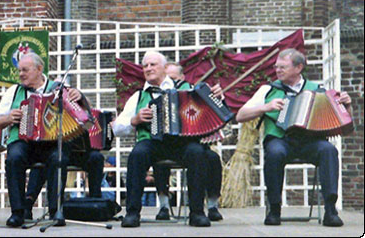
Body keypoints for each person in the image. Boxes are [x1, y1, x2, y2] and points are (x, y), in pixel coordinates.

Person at [236, 48, 348, 227]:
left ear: (298, 68)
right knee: (274, 153)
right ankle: (274, 209)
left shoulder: (317, 90)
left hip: (309, 141)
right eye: (276, 67)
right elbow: (240, 115)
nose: (277, 70)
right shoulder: (268, 90)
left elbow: (338, 120)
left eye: (283, 67)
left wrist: (345, 106)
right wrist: (266, 107)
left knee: (329, 150)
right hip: (280, 139)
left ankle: (330, 210)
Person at [113, 51, 224, 227]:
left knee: (197, 151)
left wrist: (216, 97)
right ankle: (132, 213)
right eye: (145, 66)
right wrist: (135, 120)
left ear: (164, 68)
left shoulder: (186, 91)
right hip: (152, 143)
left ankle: (197, 212)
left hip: (182, 143)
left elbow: (210, 109)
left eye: (153, 65)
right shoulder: (139, 96)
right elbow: (117, 128)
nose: (148, 69)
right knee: (138, 154)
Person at [0, 52, 83, 227]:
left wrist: (78, 95)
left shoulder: (58, 88)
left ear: (39, 69)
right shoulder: (14, 91)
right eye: (19, 71)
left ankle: (56, 210)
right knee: (14, 158)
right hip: (23, 141)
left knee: (59, 158)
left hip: (50, 143)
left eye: (25, 70)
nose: (21, 74)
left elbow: (77, 113)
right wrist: (9, 117)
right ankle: (18, 212)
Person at [150, 63, 224, 221]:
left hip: (192, 144)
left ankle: (211, 205)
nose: (173, 83)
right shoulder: (156, 93)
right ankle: (164, 205)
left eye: (175, 79)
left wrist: (218, 97)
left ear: (182, 78)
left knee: (213, 158)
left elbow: (218, 110)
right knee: (158, 159)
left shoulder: (195, 92)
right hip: (168, 144)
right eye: (168, 78)